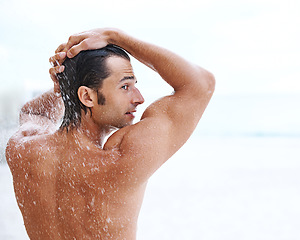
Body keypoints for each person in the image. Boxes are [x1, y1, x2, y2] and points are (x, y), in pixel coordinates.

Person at [6, 28, 215, 239]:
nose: (139, 98)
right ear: (87, 96)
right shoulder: (120, 160)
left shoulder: (24, 149)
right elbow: (201, 84)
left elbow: (33, 112)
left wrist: (65, 87)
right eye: (125, 86)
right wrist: (115, 36)